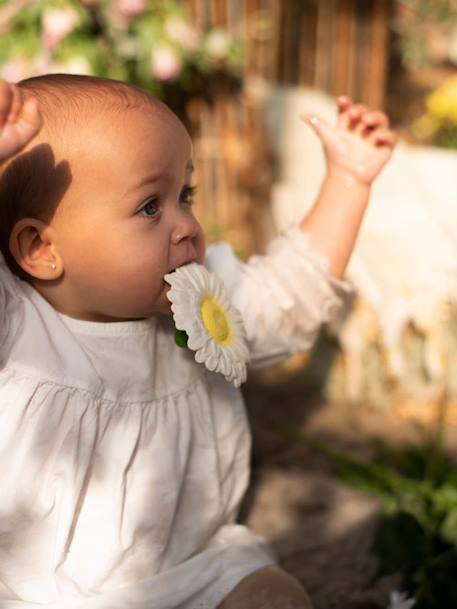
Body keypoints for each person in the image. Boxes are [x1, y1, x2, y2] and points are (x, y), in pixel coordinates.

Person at [0, 74, 396, 609]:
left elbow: (287, 298)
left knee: (277, 597)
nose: (186, 225)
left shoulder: (202, 298)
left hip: (197, 566)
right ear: (40, 248)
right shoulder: (18, 327)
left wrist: (349, 181)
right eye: (149, 207)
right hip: (41, 593)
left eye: (184, 195)